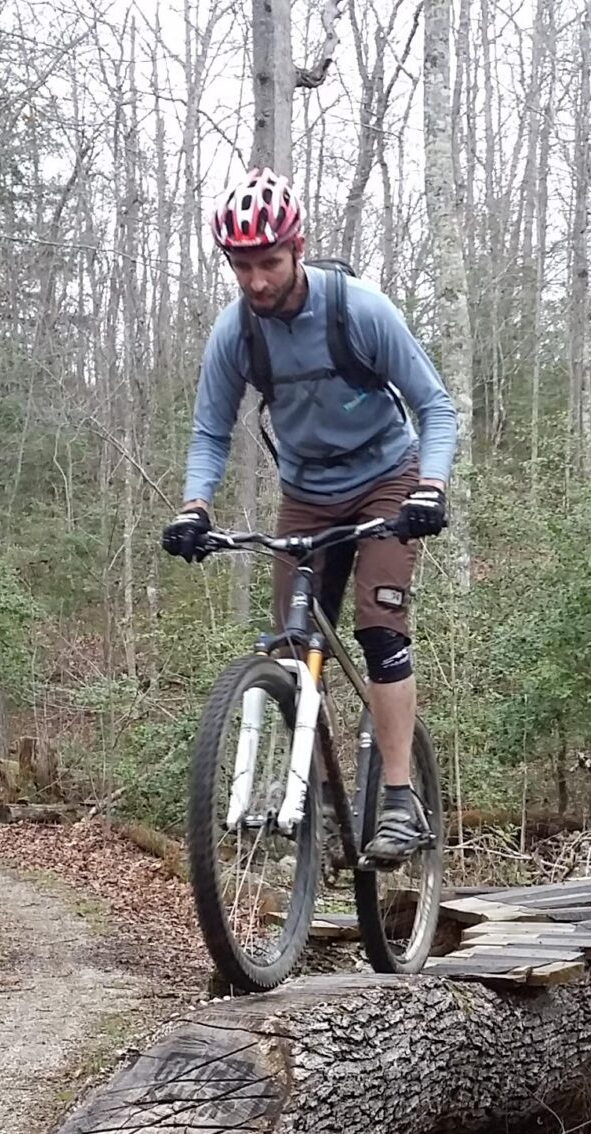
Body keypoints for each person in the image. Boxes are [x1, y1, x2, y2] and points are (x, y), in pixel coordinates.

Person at [162, 167, 459, 866]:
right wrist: (194, 506)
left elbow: (435, 406)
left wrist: (431, 488)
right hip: (307, 492)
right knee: (292, 652)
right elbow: (211, 431)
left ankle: (394, 796)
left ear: (298, 249)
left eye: (267, 262)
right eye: (241, 265)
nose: (256, 280)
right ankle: (322, 800)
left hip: (388, 479)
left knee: (379, 627)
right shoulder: (236, 334)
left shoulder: (358, 310)